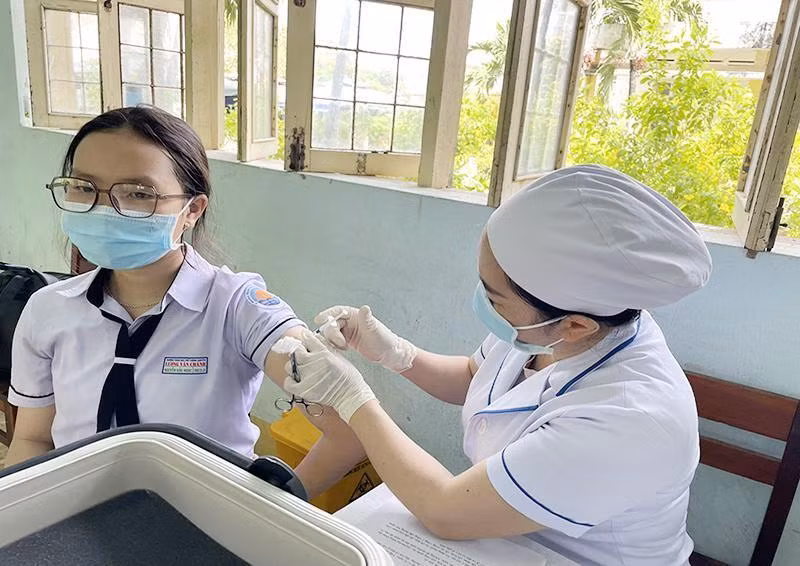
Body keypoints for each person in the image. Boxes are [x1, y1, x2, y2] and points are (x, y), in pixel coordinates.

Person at [282, 165, 713, 565]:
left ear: (577, 325)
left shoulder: (631, 420)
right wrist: (396, 353)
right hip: (504, 544)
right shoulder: (551, 326)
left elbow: (444, 510)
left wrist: (351, 397)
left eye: (494, 298)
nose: (484, 304)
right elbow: (474, 378)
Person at [3, 107, 362, 493]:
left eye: (139, 193)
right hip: (79, 513)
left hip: (203, 524)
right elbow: (33, 439)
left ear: (191, 210)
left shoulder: (238, 307)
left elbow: (349, 432)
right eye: (84, 187)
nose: (104, 209)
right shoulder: (48, 309)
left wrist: (270, 512)